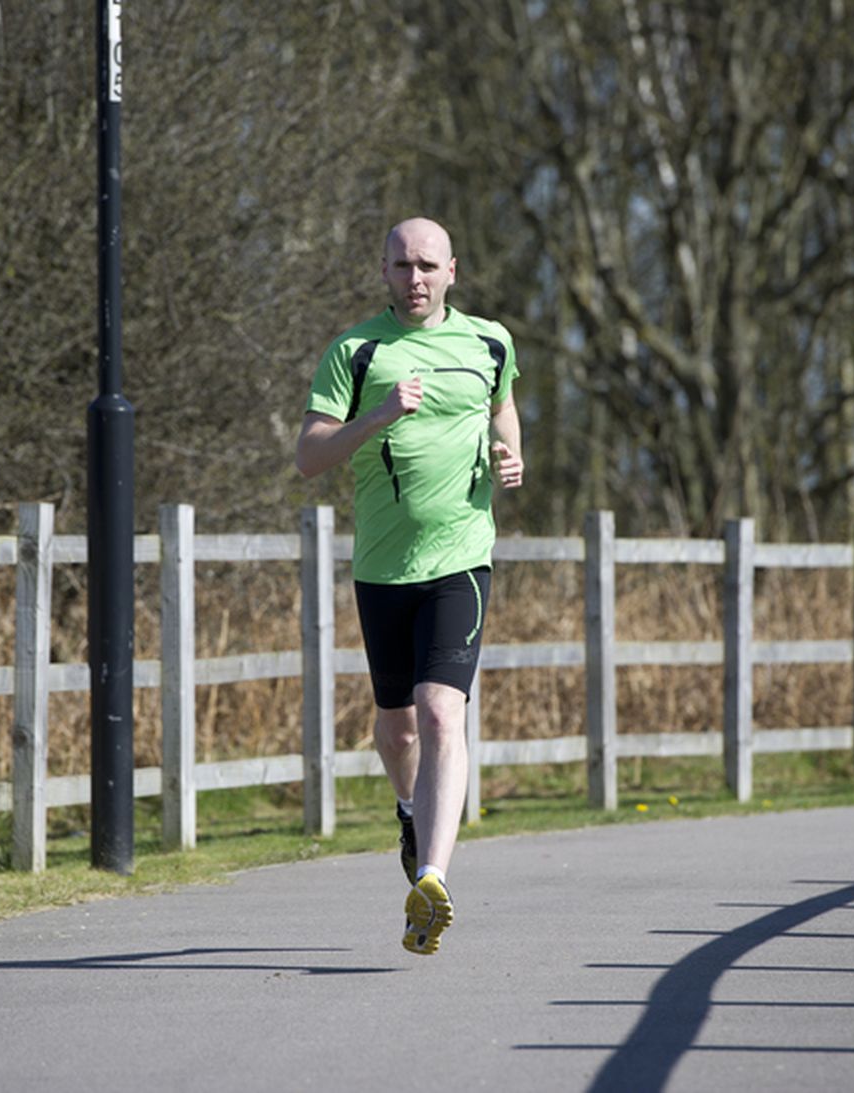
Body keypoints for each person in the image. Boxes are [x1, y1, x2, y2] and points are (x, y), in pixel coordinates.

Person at [295, 217, 523, 955]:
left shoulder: (490, 341)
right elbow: (309, 456)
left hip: (461, 559)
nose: (415, 278)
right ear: (384, 271)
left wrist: (509, 453)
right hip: (383, 569)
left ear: (453, 269)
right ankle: (407, 809)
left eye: (427, 265)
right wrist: (380, 414)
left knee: (437, 713)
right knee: (395, 727)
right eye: (402, 266)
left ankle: (432, 877)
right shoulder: (355, 351)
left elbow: (503, 407)